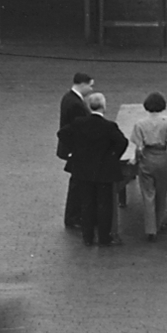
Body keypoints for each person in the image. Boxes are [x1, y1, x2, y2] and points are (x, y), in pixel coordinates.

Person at [60, 89, 127, 247]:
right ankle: (104, 238)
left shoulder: (79, 123)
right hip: (104, 171)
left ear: (89, 107)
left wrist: (76, 150)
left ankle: (88, 237)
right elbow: (122, 142)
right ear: (104, 106)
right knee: (104, 204)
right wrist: (112, 156)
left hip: (83, 170)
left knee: (86, 203)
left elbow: (62, 133)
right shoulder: (109, 126)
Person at [126, 91, 167, 241]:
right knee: (161, 193)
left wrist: (135, 159)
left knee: (148, 194)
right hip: (162, 158)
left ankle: (151, 229)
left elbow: (139, 147)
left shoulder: (140, 124)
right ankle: (159, 222)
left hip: (147, 159)